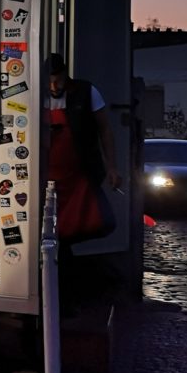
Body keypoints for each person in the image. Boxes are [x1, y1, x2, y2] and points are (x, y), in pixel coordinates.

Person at [47, 52, 122, 312]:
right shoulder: (34, 93)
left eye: (57, 79)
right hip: (45, 180)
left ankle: (67, 295)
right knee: (54, 239)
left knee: (76, 231)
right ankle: (62, 296)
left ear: (65, 74)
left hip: (78, 176)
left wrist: (112, 167)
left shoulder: (86, 91)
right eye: (50, 81)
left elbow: (105, 130)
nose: (54, 86)